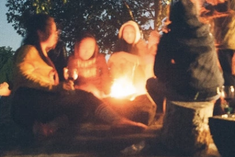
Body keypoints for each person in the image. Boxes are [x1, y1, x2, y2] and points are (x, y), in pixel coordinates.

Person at [10, 13, 146, 137]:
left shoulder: (43, 54)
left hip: (41, 103)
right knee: (86, 97)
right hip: (28, 103)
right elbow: (22, 76)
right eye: (54, 30)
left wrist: (61, 89)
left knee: (83, 108)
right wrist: (55, 88)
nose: (57, 33)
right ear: (40, 33)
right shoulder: (28, 50)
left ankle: (48, 127)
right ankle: (117, 121)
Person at [146, 0, 224, 109]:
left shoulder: (170, 36)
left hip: (190, 93)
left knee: (151, 83)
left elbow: (159, 71)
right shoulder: (205, 31)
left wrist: (177, 73)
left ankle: (165, 115)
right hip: (214, 90)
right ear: (193, 9)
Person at [109, 20, 154, 93]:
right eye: (126, 32)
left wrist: (123, 54)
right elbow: (111, 60)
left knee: (127, 61)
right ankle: (120, 86)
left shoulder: (140, 44)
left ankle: (134, 89)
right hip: (121, 76)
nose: (128, 35)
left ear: (136, 33)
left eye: (132, 32)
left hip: (139, 77)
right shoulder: (120, 46)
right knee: (119, 62)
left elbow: (143, 61)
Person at [66, 33, 111, 98]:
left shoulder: (100, 59)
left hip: (99, 95)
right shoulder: (73, 60)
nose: (87, 51)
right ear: (78, 47)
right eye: (84, 47)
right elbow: (71, 81)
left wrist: (106, 90)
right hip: (81, 95)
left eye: (91, 48)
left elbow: (105, 75)